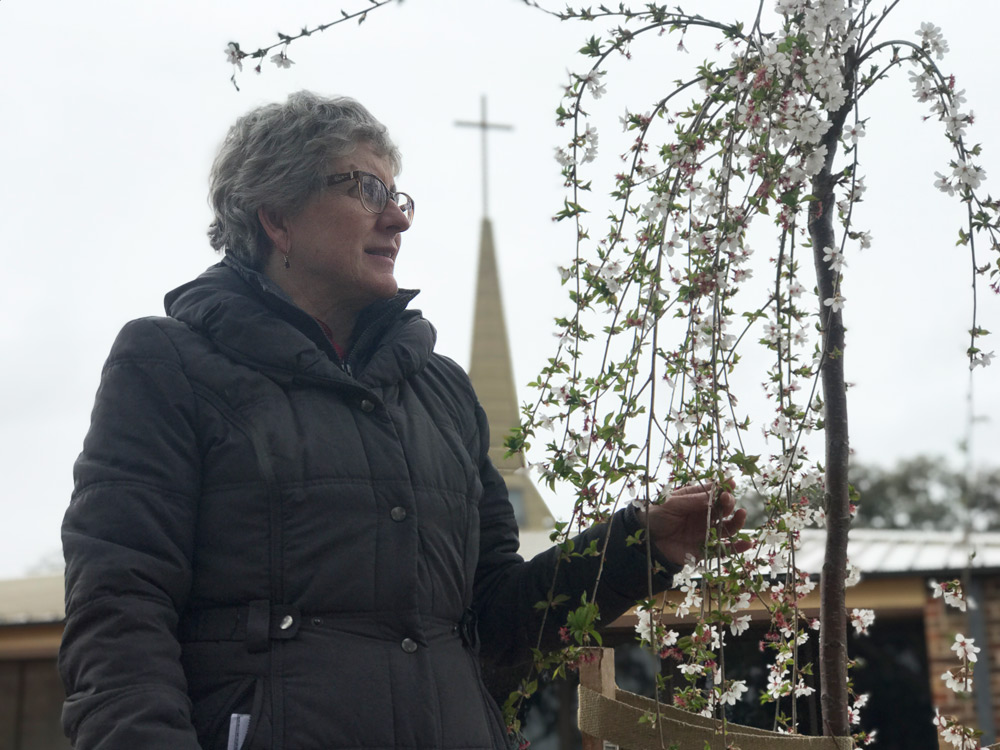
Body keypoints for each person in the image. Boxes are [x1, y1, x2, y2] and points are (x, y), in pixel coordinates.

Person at [59, 91, 748, 750]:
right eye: (365, 190)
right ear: (277, 217)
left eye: (398, 196)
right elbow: (119, 618)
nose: (398, 218)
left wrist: (640, 549)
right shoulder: (170, 364)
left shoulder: (440, 391)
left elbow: (495, 622)